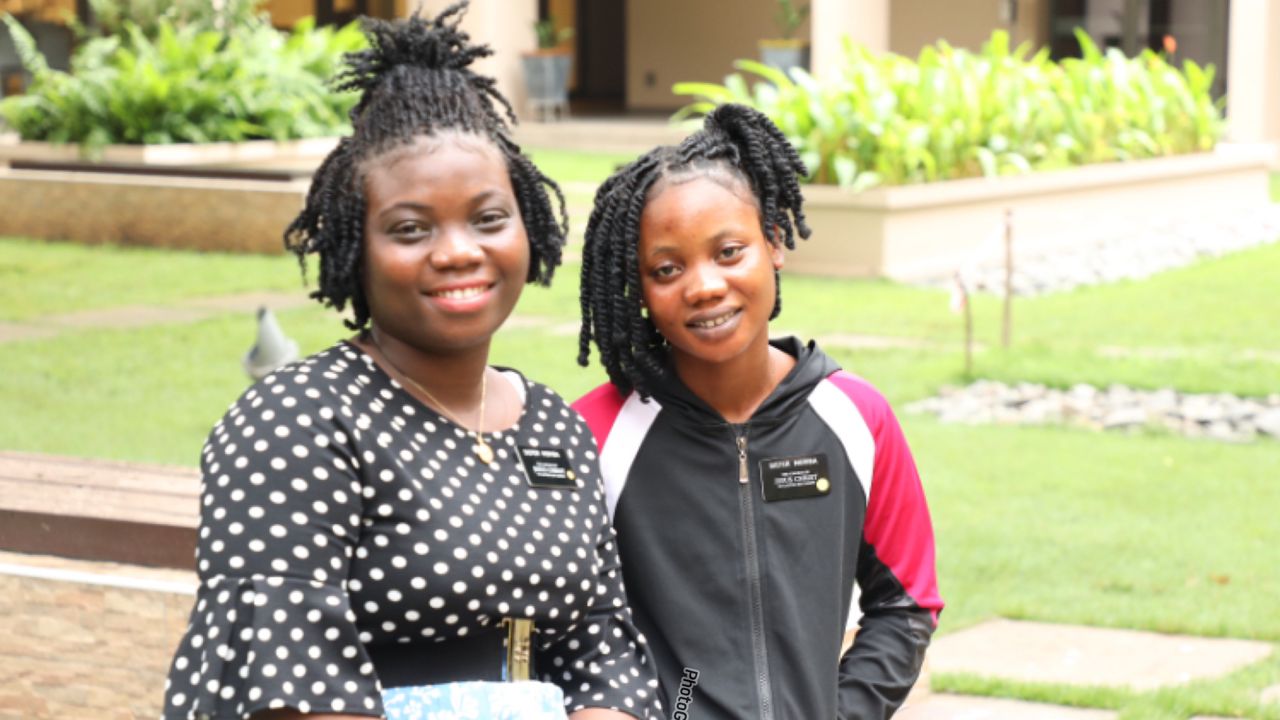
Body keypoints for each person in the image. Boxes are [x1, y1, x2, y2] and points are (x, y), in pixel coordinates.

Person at [161, 4, 660, 719]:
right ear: (354, 248)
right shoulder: (297, 421)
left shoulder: (552, 425)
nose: (458, 250)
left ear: (530, 227)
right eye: (410, 228)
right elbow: (285, 675)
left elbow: (600, 642)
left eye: (488, 218)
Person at [572, 104, 944, 720]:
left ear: (774, 242)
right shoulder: (599, 432)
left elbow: (906, 602)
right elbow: (577, 621)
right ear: (638, 287)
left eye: (728, 251)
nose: (703, 286)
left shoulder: (856, 416)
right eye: (667, 269)